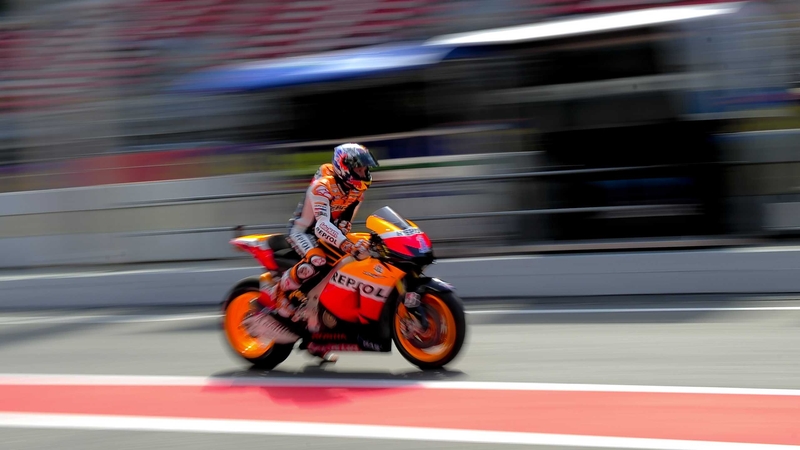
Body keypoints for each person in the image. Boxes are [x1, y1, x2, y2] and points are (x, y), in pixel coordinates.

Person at [264, 143, 379, 321]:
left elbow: (345, 223)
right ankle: (278, 291)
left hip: (327, 232)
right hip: (303, 231)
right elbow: (321, 225)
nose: (364, 172)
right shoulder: (323, 186)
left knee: (352, 258)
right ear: (344, 167)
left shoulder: (358, 191)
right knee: (317, 260)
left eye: (365, 169)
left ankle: (325, 302)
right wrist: (346, 244)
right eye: (359, 169)